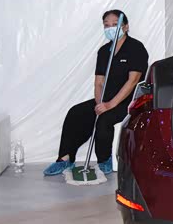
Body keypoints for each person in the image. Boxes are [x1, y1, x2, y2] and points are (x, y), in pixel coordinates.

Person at [43, 10, 149, 176]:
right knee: (76, 113)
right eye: (106, 25)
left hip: (128, 102)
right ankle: (65, 158)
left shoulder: (136, 48)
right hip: (105, 99)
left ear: (126, 27)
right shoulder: (104, 51)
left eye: (115, 24)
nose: (110, 28)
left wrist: (110, 105)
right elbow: (99, 82)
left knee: (105, 119)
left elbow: (133, 80)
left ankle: (104, 159)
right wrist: (100, 103)